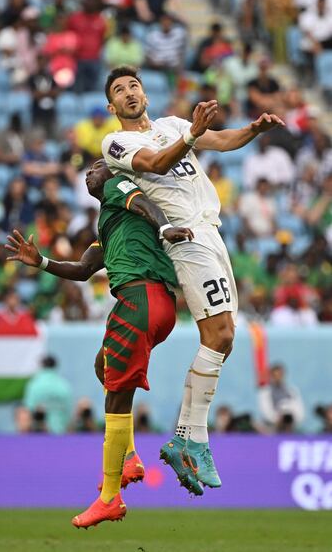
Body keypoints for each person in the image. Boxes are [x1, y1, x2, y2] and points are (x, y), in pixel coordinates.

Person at [100, 65, 284, 494]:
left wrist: (253, 130)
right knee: (217, 334)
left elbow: (220, 140)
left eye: (134, 85)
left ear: (145, 92)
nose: (129, 92)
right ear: (112, 106)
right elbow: (155, 163)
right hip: (184, 235)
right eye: (120, 90)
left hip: (211, 233)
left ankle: (189, 438)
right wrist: (192, 134)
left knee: (225, 336)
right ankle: (188, 438)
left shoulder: (171, 124)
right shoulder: (118, 142)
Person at [5, 159, 194, 527]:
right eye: (88, 171)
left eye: (95, 167)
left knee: (115, 396)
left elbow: (145, 204)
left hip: (140, 297)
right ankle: (130, 456)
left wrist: (167, 225)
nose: (89, 173)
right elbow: (83, 269)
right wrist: (40, 261)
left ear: (112, 174)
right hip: (150, 305)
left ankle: (110, 497)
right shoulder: (109, 224)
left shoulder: (117, 190)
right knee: (103, 367)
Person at [22, 355, 72, 435]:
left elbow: (28, 410)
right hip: (60, 434)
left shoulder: (34, 385)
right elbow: (69, 412)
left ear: (42, 366)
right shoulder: (64, 386)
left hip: (38, 434)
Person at [258, 363, 305, 432]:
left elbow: (300, 410)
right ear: (271, 376)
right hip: (273, 429)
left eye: (280, 375)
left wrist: (293, 419)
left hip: (292, 428)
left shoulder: (292, 391)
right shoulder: (265, 392)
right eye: (275, 375)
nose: (278, 378)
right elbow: (266, 411)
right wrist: (277, 419)